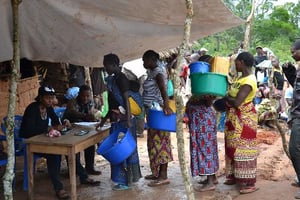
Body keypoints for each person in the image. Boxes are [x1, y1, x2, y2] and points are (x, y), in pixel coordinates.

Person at [19, 86, 99, 199]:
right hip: (30, 142)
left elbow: (57, 122)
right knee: (54, 154)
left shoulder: (49, 108)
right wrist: (47, 128)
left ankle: (83, 176)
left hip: (44, 141)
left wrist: (64, 123)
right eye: (47, 98)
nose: (50, 101)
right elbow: (27, 131)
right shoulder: (32, 109)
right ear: (40, 98)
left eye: (52, 98)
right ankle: (59, 188)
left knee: (68, 151)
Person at [98, 53, 142, 191]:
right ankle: (123, 179)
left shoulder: (121, 79)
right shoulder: (113, 79)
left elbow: (126, 99)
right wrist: (103, 121)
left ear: (113, 65)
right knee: (119, 149)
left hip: (125, 121)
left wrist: (128, 120)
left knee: (124, 150)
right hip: (117, 120)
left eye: (106, 65)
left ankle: (125, 181)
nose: (105, 68)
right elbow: (112, 104)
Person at [224, 52, 259, 194]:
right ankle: (235, 176)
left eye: (236, 62)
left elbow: (237, 102)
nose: (235, 64)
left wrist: (226, 96)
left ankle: (248, 183)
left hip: (244, 119)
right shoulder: (240, 77)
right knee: (232, 146)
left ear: (242, 62)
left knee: (243, 149)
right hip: (234, 119)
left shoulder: (249, 81)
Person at [142, 50, 173, 187]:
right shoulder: (153, 71)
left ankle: (163, 175)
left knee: (160, 144)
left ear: (151, 59)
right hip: (153, 112)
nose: (143, 63)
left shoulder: (158, 72)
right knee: (154, 143)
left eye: (145, 60)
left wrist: (166, 106)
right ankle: (156, 172)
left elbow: (163, 90)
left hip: (159, 112)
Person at [63, 85, 101, 175]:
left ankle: (89, 168)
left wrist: (94, 117)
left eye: (87, 96)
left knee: (90, 144)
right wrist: (85, 116)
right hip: (71, 128)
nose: (85, 98)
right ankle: (74, 170)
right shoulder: (73, 102)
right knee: (74, 148)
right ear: (79, 94)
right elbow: (72, 113)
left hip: (84, 127)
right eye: (83, 96)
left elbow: (92, 113)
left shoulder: (91, 102)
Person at [185, 95, 219, 192]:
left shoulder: (207, 84)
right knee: (205, 148)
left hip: (203, 121)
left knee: (206, 149)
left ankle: (210, 182)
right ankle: (212, 178)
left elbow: (209, 101)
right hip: (199, 120)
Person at [282, 40, 300, 199]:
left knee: (294, 150)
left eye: (294, 51)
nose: (291, 54)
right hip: (297, 114)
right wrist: (290, 73)